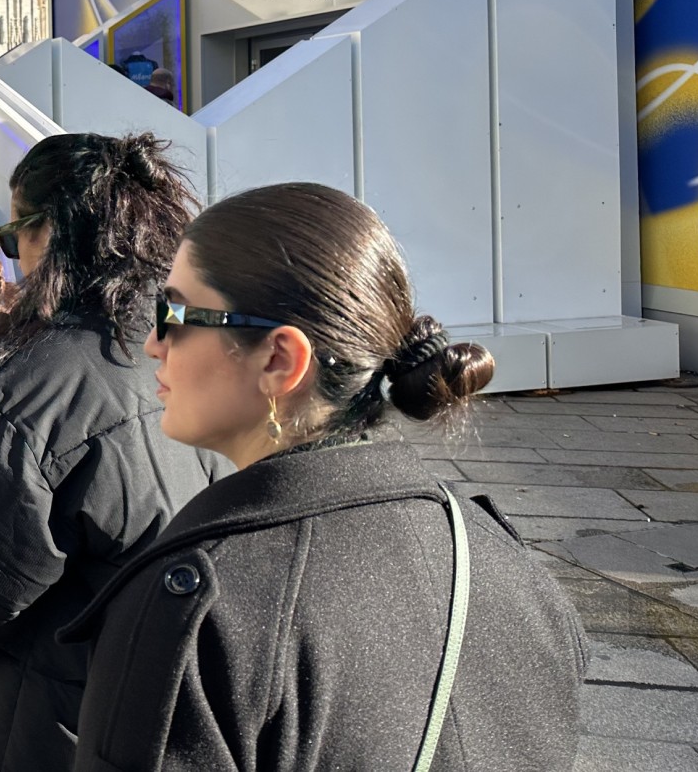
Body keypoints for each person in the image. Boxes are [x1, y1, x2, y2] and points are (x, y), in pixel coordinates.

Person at [67, 183, 587, 772]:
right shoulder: (506, 563)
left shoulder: (202, 617)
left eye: (176, 313)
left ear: (280, 360)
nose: (154, 344)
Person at [0, 132, 224, 772]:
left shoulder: (28, 393)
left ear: (51, 234)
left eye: (15, 229)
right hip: (181, 712)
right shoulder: (199, 346)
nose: (13, 252)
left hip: (51, 725)